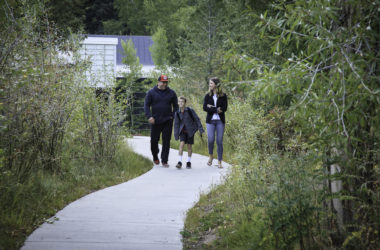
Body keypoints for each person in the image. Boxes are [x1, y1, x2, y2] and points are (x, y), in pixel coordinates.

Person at [144, 75, 178, 167]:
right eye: (163, 82)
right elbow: (146, 106)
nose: (164, 84)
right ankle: (155, 156)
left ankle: (164, 160)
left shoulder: (171, 93)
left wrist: (173, 116)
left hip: (168, 120)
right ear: (158, 82)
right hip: (155, 121)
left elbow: (176, 106)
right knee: (154, 141)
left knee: (166, 141)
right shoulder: (151, 92)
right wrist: (149, 116)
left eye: (166, 82)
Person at [203, 77, 228, 168]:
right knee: (210, 140)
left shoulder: (223, 96)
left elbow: (224, 108)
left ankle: (219, 161)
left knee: (219, 141)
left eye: (211, 83)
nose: (210, 85)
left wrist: (211, 107)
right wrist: (216, 109)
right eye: (209, 83)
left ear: (216, 85)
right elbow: (205, 108)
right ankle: (210, 156)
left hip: (220, 121)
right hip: (210, 121)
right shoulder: (207, 96)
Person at [174, 96, 204, 169]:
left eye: (182, 102)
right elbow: (176, 124)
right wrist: (176, 135)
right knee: (181, 145)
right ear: (178, 103)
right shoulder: (177, 113)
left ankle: (188, 162)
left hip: (190, 131)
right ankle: (179, 162)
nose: (180, 103)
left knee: (189, 147)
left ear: (185, 103)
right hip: (182, 132)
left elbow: (197, 119)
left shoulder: (190, 110)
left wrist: (201, 129)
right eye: (179, 101)